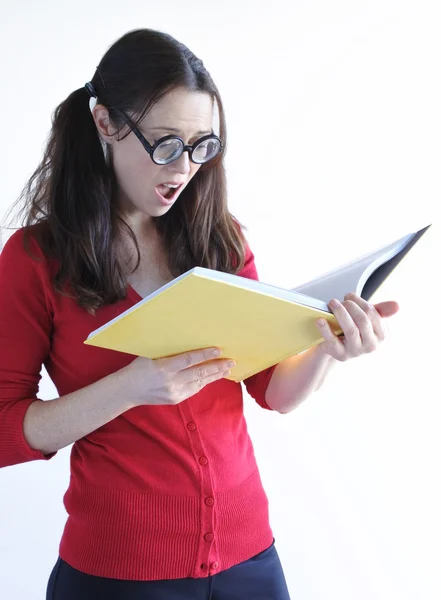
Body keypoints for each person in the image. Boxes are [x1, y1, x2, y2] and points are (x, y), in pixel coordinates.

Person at [0, 28, 399, 600]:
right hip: (120, 573)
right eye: (164, 143)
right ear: (105, 124)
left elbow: (271, 390)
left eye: (202, 145)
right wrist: (130, 387)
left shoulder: (219, 237)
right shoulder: (35, 260)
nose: (183, 168)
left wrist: (328, 347)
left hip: (249, 557)